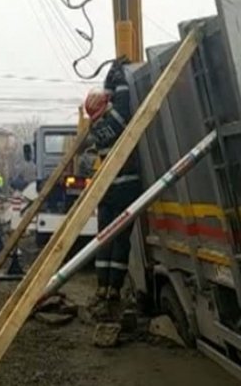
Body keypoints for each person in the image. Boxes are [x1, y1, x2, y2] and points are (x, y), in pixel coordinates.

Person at [84, 59, 141, 312]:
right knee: (119, 240)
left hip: (106, 190)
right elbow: (122, 110)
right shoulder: (110, 124)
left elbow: (111, 104)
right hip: (124, 186)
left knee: (104, 238)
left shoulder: (95, 126)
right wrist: (120, 83)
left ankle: (103, 287)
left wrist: (109, 79)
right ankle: (114, 289)